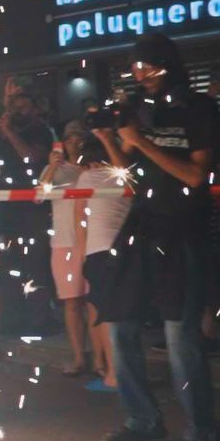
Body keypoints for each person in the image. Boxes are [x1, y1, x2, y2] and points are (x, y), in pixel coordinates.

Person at [90, 36, 216, 441]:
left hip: (182, 231)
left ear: (167, 64)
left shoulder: (199, 108)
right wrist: (111, 139)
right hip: (142, 227)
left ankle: (202, 432)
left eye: (148, 66)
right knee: (120, 324)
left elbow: (196, 176)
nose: (141, 74)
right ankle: (143, 420)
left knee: (180, 335)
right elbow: (128, 175)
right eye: (135, 67)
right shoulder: (140, 110)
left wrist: (143, 142)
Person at [0, 85, 56, 336]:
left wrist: (10, 132)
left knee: (35, 264)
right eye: (15, 106)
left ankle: (39, 321)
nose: (18, 111)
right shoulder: (8, 130)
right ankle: (13, 320)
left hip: (33, 208)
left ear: (34, 109)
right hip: (8, 207)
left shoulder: (41, 131)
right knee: (10, 265)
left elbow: (31, 157)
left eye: (23, 106)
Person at [75, 135, 130, 394]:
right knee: (126, 314)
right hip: (127, 250)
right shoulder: (126, 176)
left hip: (98, 250)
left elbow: (80, 219)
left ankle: (114, 374)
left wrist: (81, 256)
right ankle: (128, 373)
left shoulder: (88, 177)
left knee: (107, 315)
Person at [41, 122, 91, 375]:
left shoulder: (94, 167)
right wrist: (51, 166)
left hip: (93, 241)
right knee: (72, 303)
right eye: (69, 138)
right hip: (64, 242)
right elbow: (39, 196)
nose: (74, 143)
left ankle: (102, 359)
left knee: (94, 302)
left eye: (79, 138)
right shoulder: (57, 170)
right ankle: (79, 357)